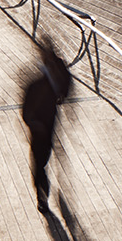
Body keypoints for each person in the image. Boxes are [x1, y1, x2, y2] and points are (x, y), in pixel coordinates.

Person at [20, 37, 74, 213]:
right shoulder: (38, 80)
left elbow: (65, 85)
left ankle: (43, 193)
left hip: (46, 122)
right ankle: (42, 195)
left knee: (41, 159)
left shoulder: (51, 75)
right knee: (39, 161)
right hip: (40, 125)